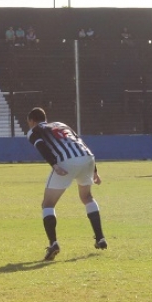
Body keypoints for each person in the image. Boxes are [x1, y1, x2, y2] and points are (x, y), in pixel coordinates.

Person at [26, 106, 107, 260]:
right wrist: (94, 170)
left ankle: (53, 243)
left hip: (66, 161)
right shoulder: (62, 125)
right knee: (87, 197)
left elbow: (42, 147)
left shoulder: (34, 131)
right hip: (87, 157)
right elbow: (80, 142)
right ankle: (100, 238)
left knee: (47, 204)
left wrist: (54, 164)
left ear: (32, 121)